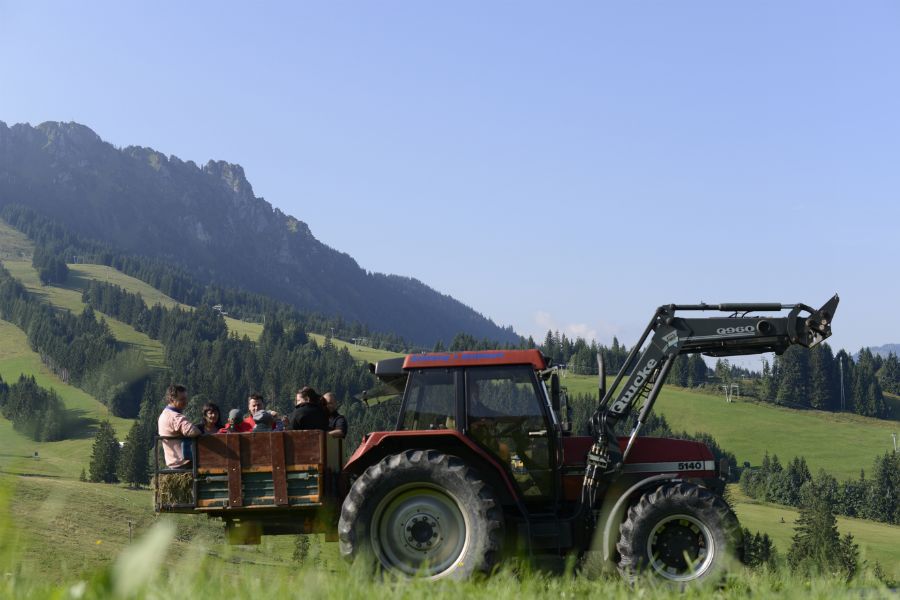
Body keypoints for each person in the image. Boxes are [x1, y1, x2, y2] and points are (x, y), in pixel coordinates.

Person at [157, 384, 200, 469]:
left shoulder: (164, 414)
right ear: (172, 399)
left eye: (185, 398)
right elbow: (192, 431)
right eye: (182, 399)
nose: (185, 401)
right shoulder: (175, 417)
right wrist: (201, 430)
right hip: (183, 463)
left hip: (173, 462)